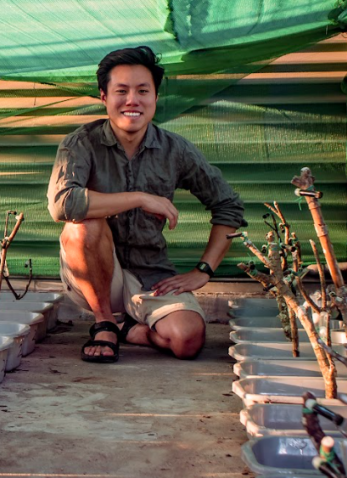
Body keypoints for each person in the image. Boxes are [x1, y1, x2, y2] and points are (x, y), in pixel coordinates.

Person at [47, 46, 246, 363]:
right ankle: (104, 323)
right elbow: (62, 204)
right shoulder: (81, 143)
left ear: (155, 97)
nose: (132, 101)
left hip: (151, 274)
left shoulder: (175, 150)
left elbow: (229, 206)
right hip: (95, 276)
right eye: (121, 91)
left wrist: (203, 270)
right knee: (83, 224)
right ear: (104, 97)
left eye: (142, 91)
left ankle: (127, 329)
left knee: (187, 341)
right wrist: (140, 198)